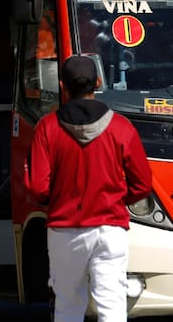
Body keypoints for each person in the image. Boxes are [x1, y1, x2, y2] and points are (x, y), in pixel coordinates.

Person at [25, 55, 152, 322]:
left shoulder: (47, 128)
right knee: (112, 307)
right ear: (97, 83)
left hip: (64, 230)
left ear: (62, 85)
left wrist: (59, 198)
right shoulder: (121, 127)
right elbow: (142, 183)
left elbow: (38, 188)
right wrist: (116, 199)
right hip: (110, 228)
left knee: (68, 306)